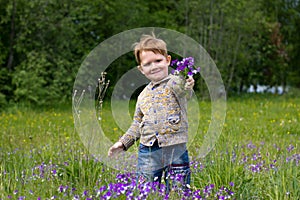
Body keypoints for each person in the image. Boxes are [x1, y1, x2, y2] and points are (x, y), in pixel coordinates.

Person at [108, 33, 195, 192]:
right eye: (148, 64)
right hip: (148, 150)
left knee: (179, 190)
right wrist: (123, 143)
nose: (154, 66)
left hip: (175, 148)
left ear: (167, 60)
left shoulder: (175, 82)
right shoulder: (142, 96)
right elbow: (137, 124)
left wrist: (187, 82)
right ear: (141, 69)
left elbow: (184, 91)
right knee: (145, 190)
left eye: (158, 61)